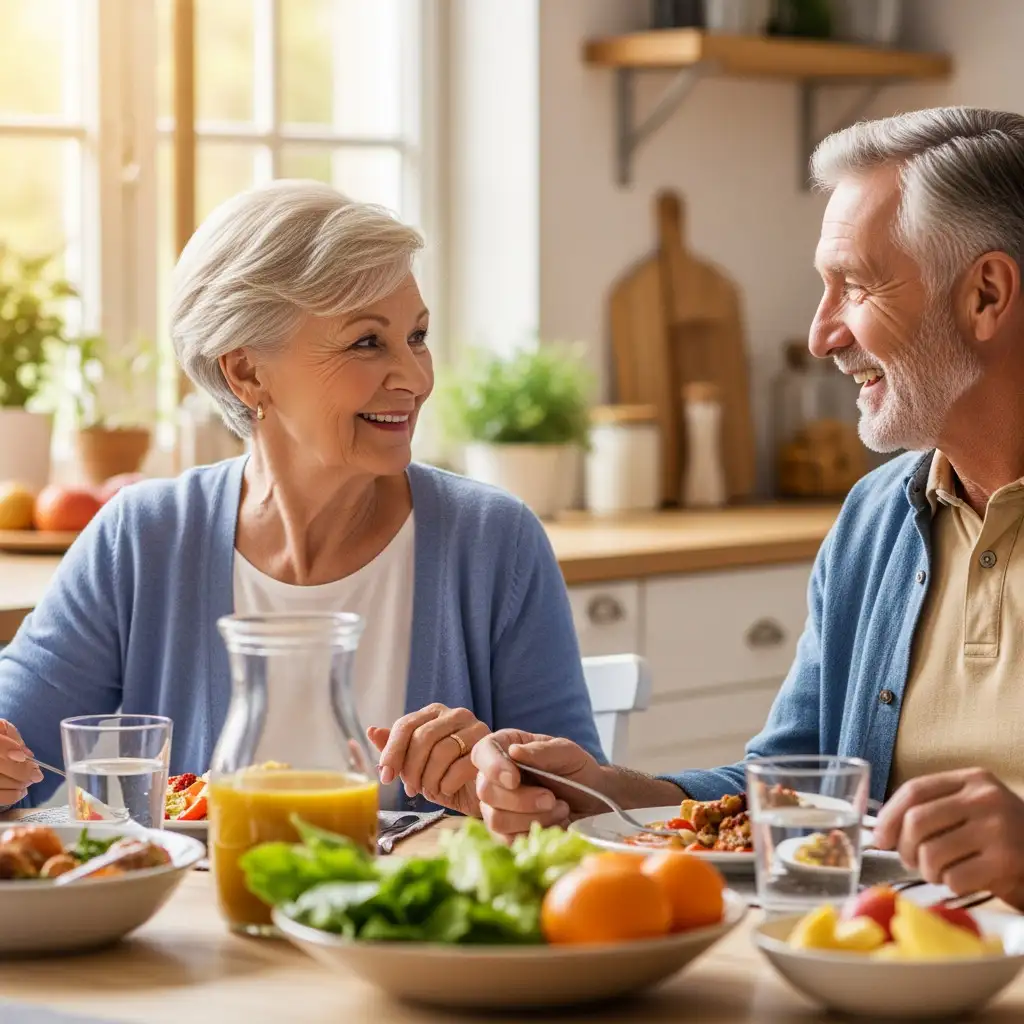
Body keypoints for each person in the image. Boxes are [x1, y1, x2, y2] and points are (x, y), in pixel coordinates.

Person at [473, 106, 1024, 910]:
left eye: (857, 285)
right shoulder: (878, 519)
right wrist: (604, 791)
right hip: (877, 969)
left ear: (986, 294)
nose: (819, 333)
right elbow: (786, 789)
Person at [0, 180, 603, 812]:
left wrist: (507, 786)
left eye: (417, 337)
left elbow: (583, 802)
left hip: (410, 913)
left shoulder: (492, 540)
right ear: (247, 372)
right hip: (196, 913)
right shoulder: (143, 537)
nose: (417, 378)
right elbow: (18, 756)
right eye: (368, 342)